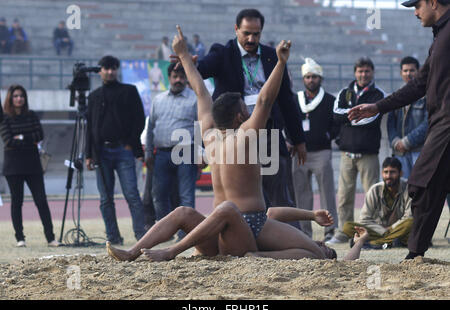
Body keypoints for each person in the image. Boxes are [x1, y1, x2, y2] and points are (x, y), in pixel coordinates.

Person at [106, 25, 369, 263]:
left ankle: (143, 251)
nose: (249, 110)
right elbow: (266, 100)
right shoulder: (244, 137)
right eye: (245, 108)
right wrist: (280, 62)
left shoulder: (208, 134)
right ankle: (144, 252)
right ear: (239, 116)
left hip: (222, 234)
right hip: (239, 231)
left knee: (206, 211)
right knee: (191, 211)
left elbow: (200, 91)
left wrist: (184, 55)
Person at [348, 0, 450, 259]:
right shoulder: (439, 38)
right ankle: (415, 253)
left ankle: (414, 253)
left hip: (446, 125)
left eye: (417, 5)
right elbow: (419, 85)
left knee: (421, 185)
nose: (415, 12)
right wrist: (378, 107)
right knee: (428, 187)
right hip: (440, 123)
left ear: (433, 2)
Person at [191, 8, 307, 209]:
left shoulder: (273, 56)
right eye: (246, 33)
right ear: (236, 29)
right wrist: (191, 64)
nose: (251, 39)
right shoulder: (223, 52)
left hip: (268, 133)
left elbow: (287, 100)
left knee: (280, 198)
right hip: (236, 136)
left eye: (256, 34)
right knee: (241, 199)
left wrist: (298, 139)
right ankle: (243, 236)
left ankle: (289, 238)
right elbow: (203, 69)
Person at [85, 55, 147, 245]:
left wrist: (130, 143)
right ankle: (113, 237)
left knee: (132, 195)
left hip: (123, 150)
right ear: (100, 70)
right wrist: (88, 155)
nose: (110, 72)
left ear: (117, 70)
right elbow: (90, 127)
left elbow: (139, 119)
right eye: (106, 68)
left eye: (113, 68)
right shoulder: (94, 96)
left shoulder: (129, 91)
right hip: (101, 153)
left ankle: (141, 235)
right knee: (105, 199)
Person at [327, 57, 385, 245]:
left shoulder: (378, 94)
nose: (363, 74)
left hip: (368, 155)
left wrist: (350, 114)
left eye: (367, 71)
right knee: (344, 196)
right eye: (360, 71)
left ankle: (370, 233)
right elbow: (336, 115)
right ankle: (344, 232)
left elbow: (374, 118)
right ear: (355, 72)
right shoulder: (345, 92)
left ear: (372, 73)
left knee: (372, 196)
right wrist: (360, 113)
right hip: (347, 155)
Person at [0, 85, 60, 247]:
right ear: (10, 98)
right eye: (15, 96)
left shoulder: (32, 115)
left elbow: (39, 135)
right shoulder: (5, 118)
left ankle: (50, 238)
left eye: (21, 96)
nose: (19, 99)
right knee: (17, 201)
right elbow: (8, 140)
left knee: (41, 200)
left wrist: (20, 137)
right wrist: (27, 140)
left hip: (33, 164)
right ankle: (20, 238)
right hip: (13, 166)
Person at [146, 62, 200, 239]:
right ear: (168, 78)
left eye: (182, 77)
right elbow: (151, 127)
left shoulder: (194, 99)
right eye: (175, 77)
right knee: (158, 194)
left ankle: (186, 234)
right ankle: (164, 233)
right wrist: (148, 153)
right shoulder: (158, 100)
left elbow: (200, 128)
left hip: (186, 151)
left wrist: (200, 155)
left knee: (186, 195)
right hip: (162, 152)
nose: (178, 80)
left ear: (186, 79)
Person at [291, 58, 339, 241]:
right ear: (303, 79)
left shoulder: (329, 100)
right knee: (301, 194)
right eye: (308, 77)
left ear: (321, 78)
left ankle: (330, 231)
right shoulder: (295, 100)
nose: (311, 80)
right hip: (299, 153)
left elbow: (337, 124)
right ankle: (304, 232)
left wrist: (328, 136)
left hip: (322, 152)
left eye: (315, 77)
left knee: (327, 192)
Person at [341, 157, 413, 248]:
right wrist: (383, 230)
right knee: (347, 227)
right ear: (381, 173)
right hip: (379, 231)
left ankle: (373, 244)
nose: (388, 176)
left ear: (401, 173)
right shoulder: (375, 190)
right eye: (385, 172)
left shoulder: (408, 188)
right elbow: (364, 219)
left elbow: (409, 217)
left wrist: (391, 228)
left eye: (392, 172)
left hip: (399, 228)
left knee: (411, 223)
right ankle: (389, 242)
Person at [387, 56, 427, 178]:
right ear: (401, 73)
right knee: (402, 191)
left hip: (419, 152)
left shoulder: (427, 95)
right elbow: (390, 123)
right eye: (405, 71)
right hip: (400, 153)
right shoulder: (397, 95)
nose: (408, 73)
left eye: (412, 70)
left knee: (420, 190)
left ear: (419, 72)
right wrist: (395, 142)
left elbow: (428, 123)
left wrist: (407, 141)